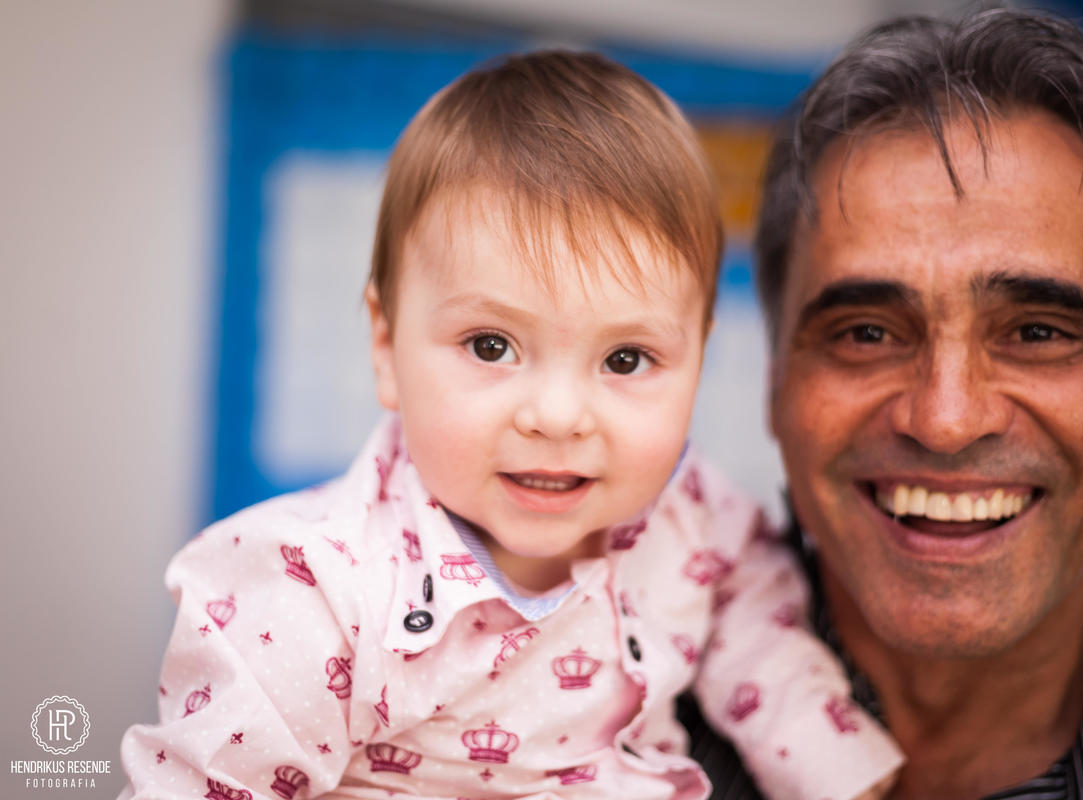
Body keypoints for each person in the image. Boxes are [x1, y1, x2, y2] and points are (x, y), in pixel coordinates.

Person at [117, 51, 903, 800]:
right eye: (491, 346)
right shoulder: (310, 589)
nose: (558, 417)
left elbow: (752, 612)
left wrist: (821, 753)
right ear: (385, 346)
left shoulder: (692, 518)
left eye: (626, 359)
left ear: (699, 357)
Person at [688, 8, 1083, 800]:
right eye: (865, 332)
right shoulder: (538, 719)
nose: (946, 420)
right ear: (775, 376)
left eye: (1037, 331)